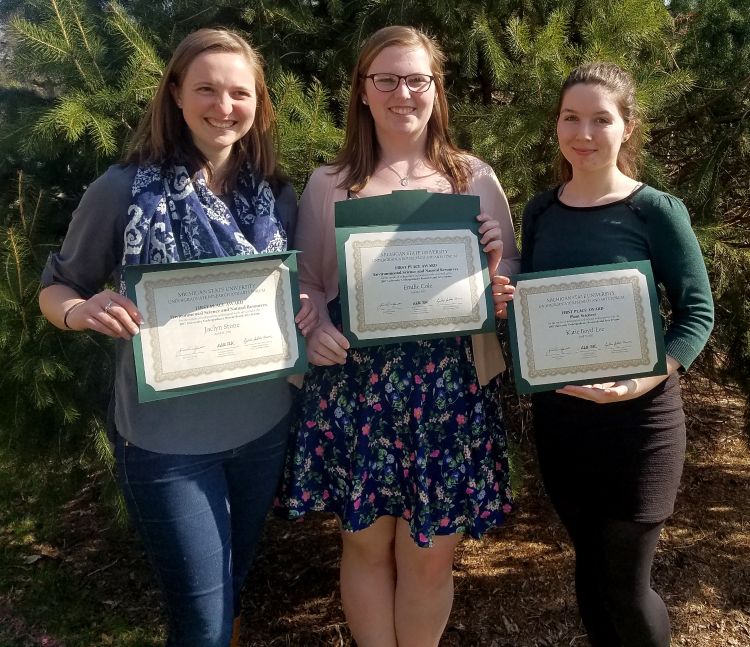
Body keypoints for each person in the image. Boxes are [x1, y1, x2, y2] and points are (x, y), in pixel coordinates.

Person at [38, 28, 315, 647]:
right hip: (166, 446)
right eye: (207, 90)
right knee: (201, 622)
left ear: (258, 103)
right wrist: (82, 311)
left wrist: (300, 306)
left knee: (234, 582)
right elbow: (56, 289)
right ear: (175, 95)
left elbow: (294, 284)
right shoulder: (122, 191)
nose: (224, 107)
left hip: (262, 427)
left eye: (239, 93)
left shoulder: (274, 195)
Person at [277, 25, 519, 647]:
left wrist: (497, 276)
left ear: (437, 90)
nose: (401, 93)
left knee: (432, 554)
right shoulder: (330, 182)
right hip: (358, 389)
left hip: (448, 390)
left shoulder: (473, 177)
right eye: (385, 79)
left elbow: (510, 278)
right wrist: (318, 325)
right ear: (362, 91)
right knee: (365, 545)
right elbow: (301, 281)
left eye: (417, 80)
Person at [493, 62, 714, 647]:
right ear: (557, 125)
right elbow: (538, 311)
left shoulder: (654, 211)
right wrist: (509, 305)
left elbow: (697, 314)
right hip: (563, 424)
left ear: (628, 128)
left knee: (624, 584)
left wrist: (648, 379)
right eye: (571, 118)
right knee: (589, 575)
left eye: (600, 119)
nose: (583, 133)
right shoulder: (541, 210)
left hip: (640, 426)